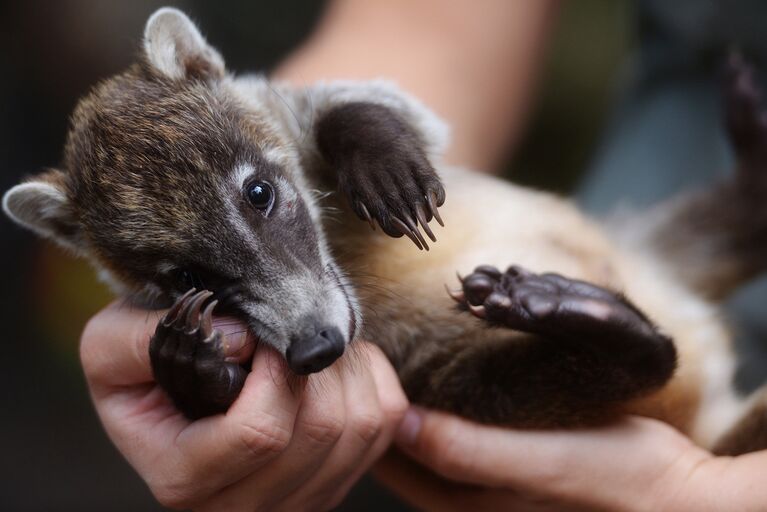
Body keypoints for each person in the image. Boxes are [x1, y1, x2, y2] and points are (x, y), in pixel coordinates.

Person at [80, 0, 767, 510]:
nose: (307, 324)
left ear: (199, 64)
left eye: (259, 195)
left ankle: (678, 287)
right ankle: (634, 339)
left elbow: (369, 112)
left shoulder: (258, 112)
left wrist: (357, 132)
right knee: (466, 391)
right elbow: (425, 27)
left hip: (664, 434)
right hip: (619, 390)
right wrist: (201, 382)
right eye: (196, 275)